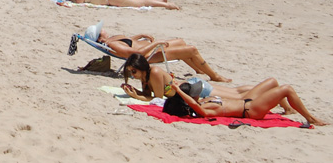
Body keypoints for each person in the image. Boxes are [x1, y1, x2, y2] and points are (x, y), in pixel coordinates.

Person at [122, 54, 294, 113]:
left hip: (199, 90)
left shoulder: (156, 73)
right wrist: (136, 92)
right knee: (237, 92)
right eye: (131, 72)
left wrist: (136, 96)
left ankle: (276, 91)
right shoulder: (146, 78)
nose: (133, 74)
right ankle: (277, 94)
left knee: (242, 96)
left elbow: (157, 99)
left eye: (134, 71)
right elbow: (153, 95)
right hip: (195, 86)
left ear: (142, 67)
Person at [82, 21, 230, 82]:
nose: (105, 29)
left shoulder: (112, 40)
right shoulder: (113, 45)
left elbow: (129, 42)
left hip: (150, 49)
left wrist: (139, 36)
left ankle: (198, 69)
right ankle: (215, 76)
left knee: (181, 42)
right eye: (102, 30)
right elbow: (135, 54)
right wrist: (156, 44)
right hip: (149, 56)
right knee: (191, 50)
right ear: (100, 36)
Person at [167, 78, 326, 126]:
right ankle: (310, 118)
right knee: (287, 89)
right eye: (193, 95)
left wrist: (177, 88)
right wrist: (180, 92)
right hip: (252, 109)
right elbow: (192, 104)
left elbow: (191, 102)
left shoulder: (203, 102)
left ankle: (289, 110)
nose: (197, 95)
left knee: (272, 81)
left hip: (248, 102)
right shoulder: (205, 110)